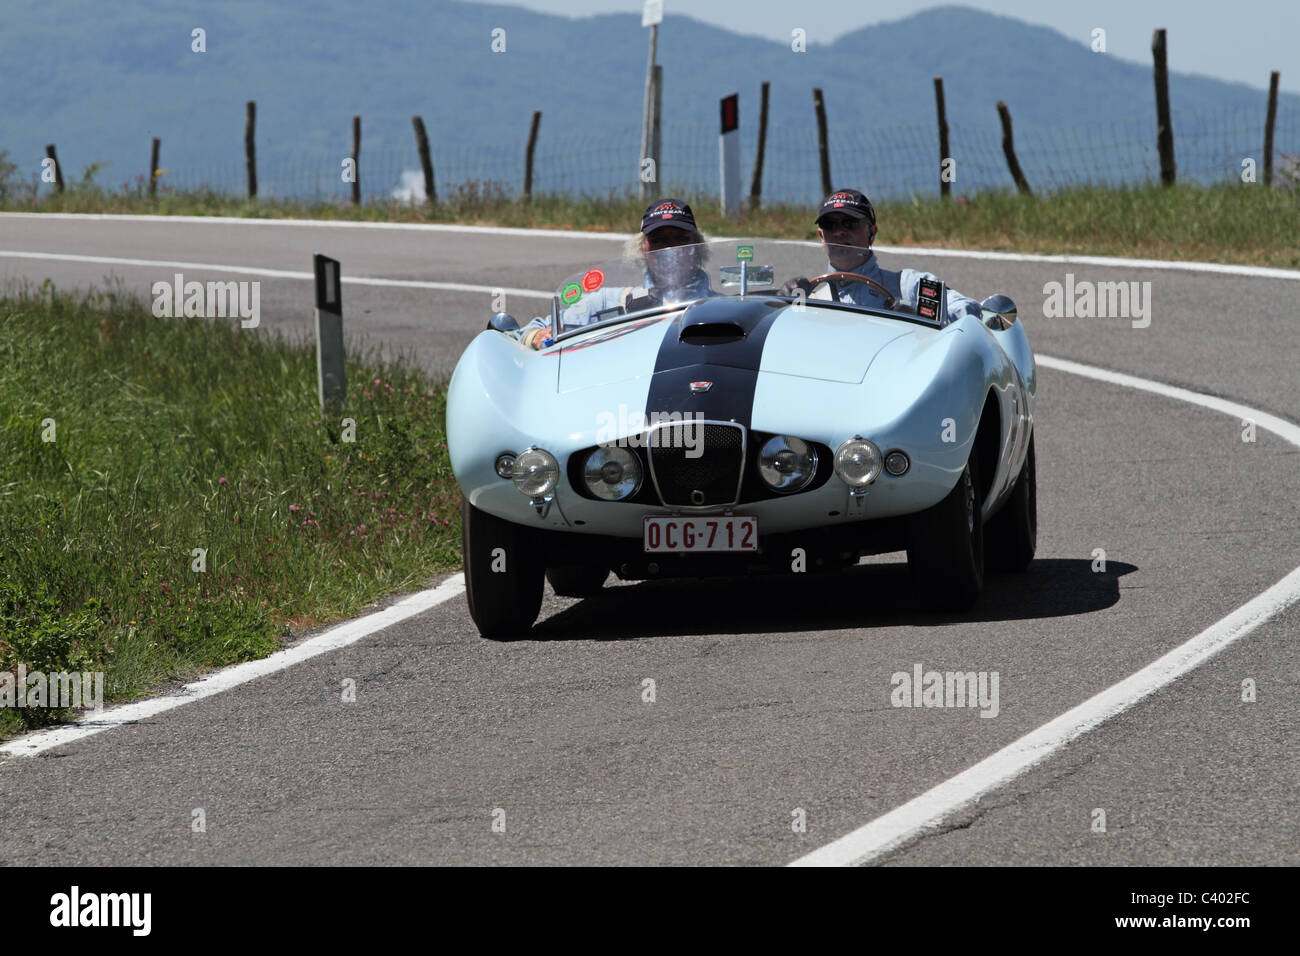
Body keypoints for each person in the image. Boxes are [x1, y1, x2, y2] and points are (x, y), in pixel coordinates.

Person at [514, 198, 714, 349]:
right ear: (643, 249)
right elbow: (537, 328)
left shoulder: (722, 308)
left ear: (696, 247)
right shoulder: (611, 302)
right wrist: (536, 336)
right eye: (659, 241)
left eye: (680, 239)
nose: (670, 251)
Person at [781, 188, 982, 326]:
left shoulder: (908, 286)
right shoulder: (810, 298)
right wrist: (779, 308)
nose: (839, 232)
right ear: (821, 237)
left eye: (849, 223)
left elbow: (969, 312)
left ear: (872, 232)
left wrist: (921, 320)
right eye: (830, 225)